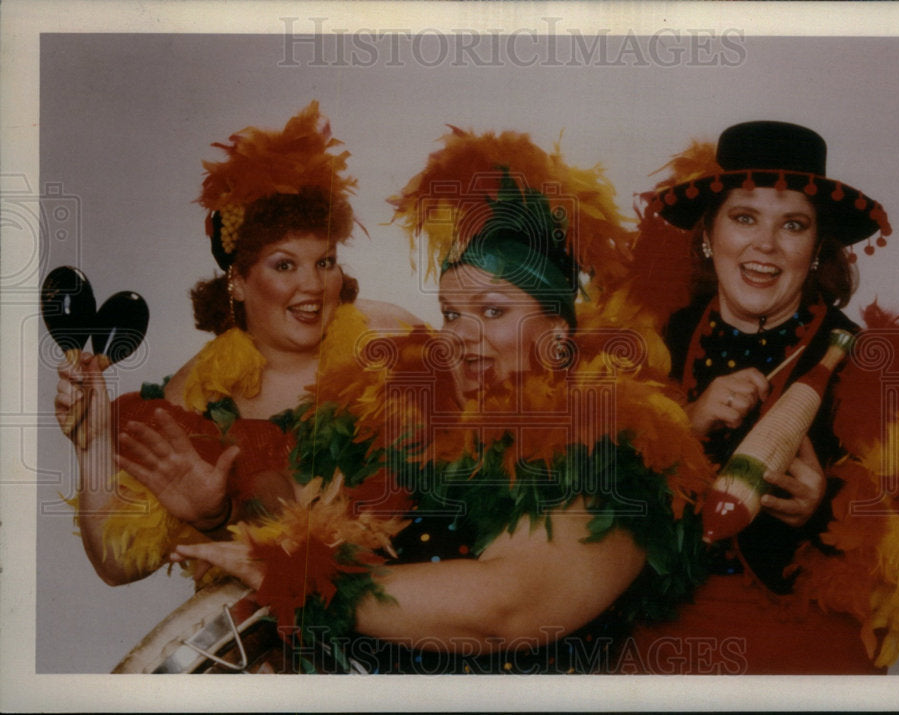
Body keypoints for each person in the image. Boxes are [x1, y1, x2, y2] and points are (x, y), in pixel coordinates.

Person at [173, 128, 715, 674]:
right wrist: (219, 510)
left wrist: (295, 585)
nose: (462, 334)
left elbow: (506, 607)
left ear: (557, 331)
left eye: (494, 311)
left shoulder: (621, 448)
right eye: (453, 314)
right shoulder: (408, 420)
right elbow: (304, 514)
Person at [620, 120, 899, 673]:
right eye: (744, 217)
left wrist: (824, 511)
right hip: (661, 632)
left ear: (817, 245)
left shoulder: (876, 364)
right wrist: (686, 424)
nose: (765, 246)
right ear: (708, 233)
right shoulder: (652, 338)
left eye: (793, 225)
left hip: (806, 641)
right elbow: (595, 501)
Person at [55, 102, 417, 586]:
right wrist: (95, 446)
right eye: (284, 265)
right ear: (239, 281)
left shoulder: (388, 336)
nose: (313, 285)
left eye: (325, 261)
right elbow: (118, 566)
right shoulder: (198, 397)